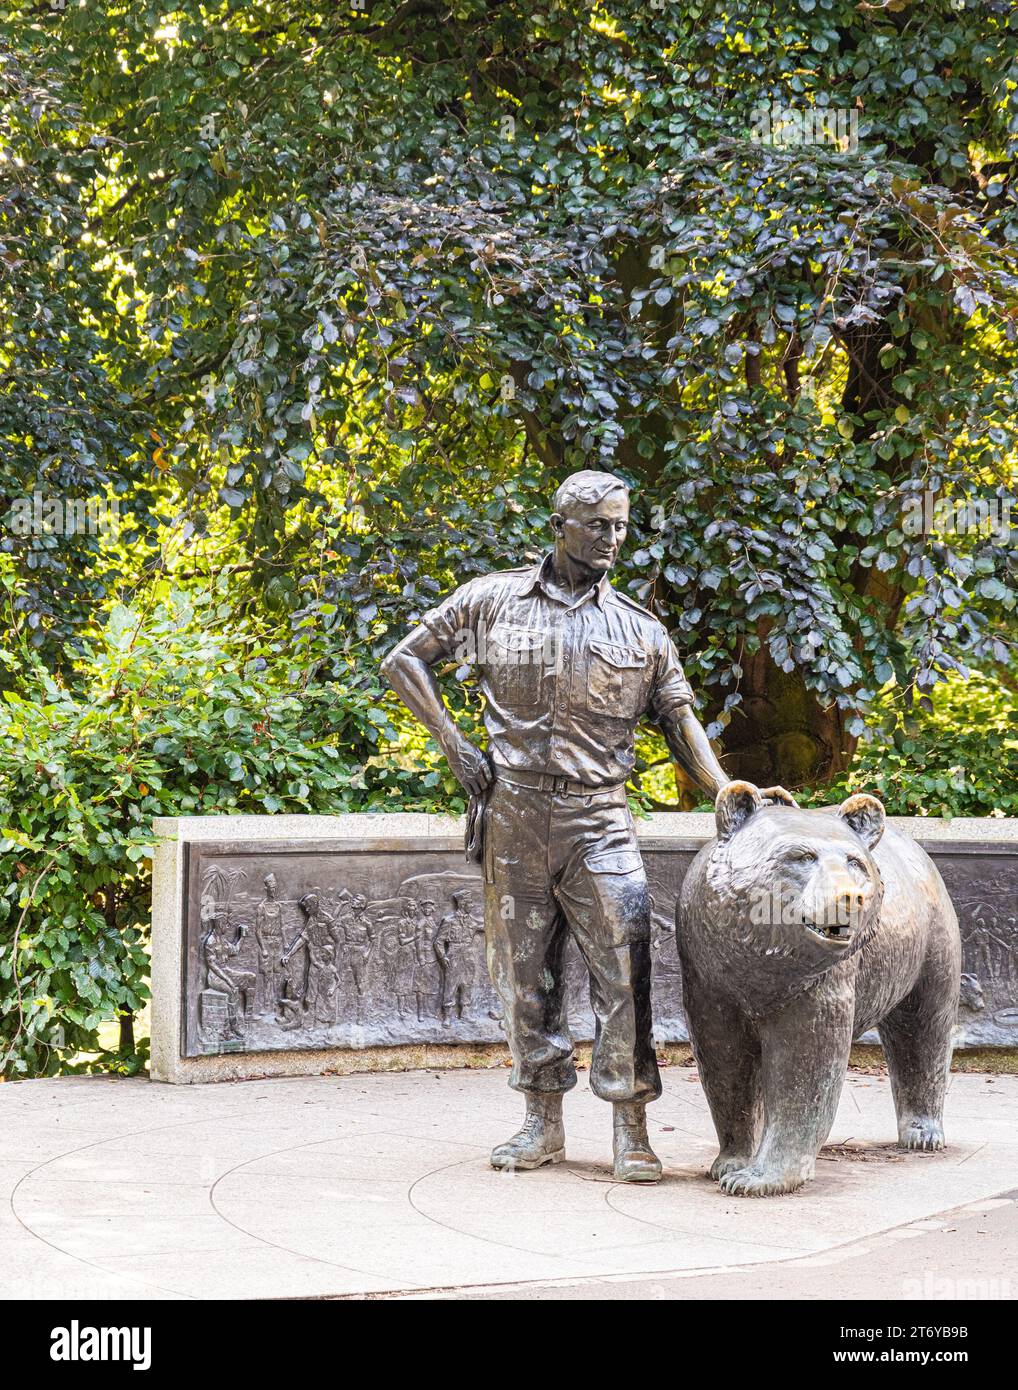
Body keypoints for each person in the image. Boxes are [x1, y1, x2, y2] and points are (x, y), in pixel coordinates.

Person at [381, 469, 759, 1181]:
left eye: (620, 525)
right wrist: (454, 743)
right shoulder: (491, 602)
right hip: (513, 814)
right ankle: (540, 1124)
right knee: (524, 976)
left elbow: (678, 716)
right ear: (559, 525)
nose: (613, 538)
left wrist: (723, 786)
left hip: (600, 818)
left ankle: (631, 1128)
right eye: (599, 525)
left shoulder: (639, 629)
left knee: (625, 964)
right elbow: (402, 660)